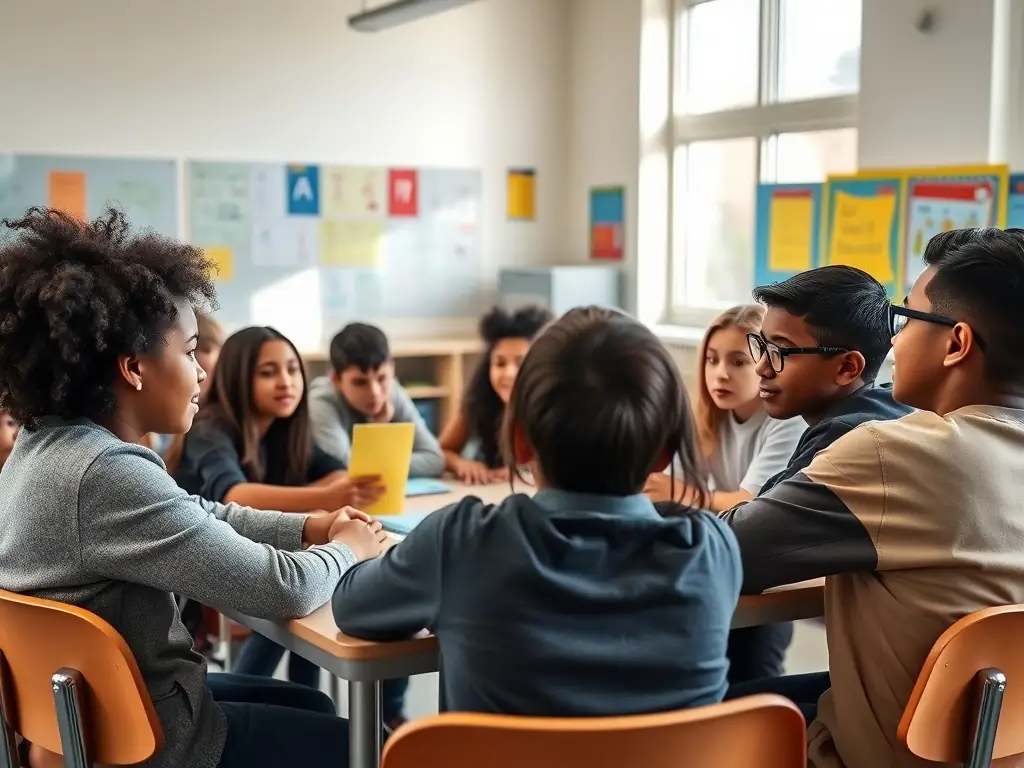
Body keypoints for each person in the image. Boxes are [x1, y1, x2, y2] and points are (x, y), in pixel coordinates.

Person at [0, 207, 389, 768]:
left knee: (313, 703)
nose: (203, 370)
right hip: (159, 741)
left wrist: (309, 526)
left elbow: (196, 514)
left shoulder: (45, 447)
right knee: (371, 745)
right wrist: (350, 548)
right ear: (134, 369)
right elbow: (281, 590)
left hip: (89, 723)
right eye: (188, 352)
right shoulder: (103, 475)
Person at [333, 306, 743, 717]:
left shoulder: (462, 542)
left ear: (520, 442)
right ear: (666, 452)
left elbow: (352, 608)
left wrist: (358, 547)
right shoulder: (712, 550)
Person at [723, 228, 1024, 768]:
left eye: (907, 319)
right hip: (999, 745)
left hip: (882, 754)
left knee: (698, 714)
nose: (895, 341)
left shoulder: (896, 453)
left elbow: (722, 555)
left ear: (956, 343)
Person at [168, 326, 407, 726]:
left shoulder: (286, 429)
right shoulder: (211, 428)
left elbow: (336, 475)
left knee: (303, 598)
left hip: (258, 556)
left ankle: (306, 703)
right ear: (238, 376)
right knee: (294, 597)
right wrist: (323, 499)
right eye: (268, 372)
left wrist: (327, 490)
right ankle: (297, 710)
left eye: (293, 370)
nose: (286, 382)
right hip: (195, 585)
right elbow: (236, 495)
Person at [722, 266, 913, 686]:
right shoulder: (889, 411)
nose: (762, 369)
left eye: (782, 352)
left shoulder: (851, 437)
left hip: (893, 708)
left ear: (847, 367)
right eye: (761, 346)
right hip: (927, 693)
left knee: (705, 713)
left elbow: (736, 548)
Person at [644, 305, 804, 511]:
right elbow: (667, 486)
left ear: (767, 363)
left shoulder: (788, 421)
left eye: (738, 362)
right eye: (712, 360)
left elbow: (751, 505)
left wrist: (684, 494)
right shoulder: (708, 416)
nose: (721, 374)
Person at [308, 323, 444, 478]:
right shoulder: (321, 401)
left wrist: (374, 463)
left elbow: (434, 459)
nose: (375, 392)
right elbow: (341, 467)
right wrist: (378, 432)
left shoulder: (392, 391)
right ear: (336, 379)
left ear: (392, 369)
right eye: (360, 382)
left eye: (382, 378)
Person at [439, 305, 552, 484]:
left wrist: (526, 470)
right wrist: (461, 464)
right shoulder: (478, 401)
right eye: (500, 364)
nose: (508, 373)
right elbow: (442, 451)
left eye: (520, 363)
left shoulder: (554, 407)